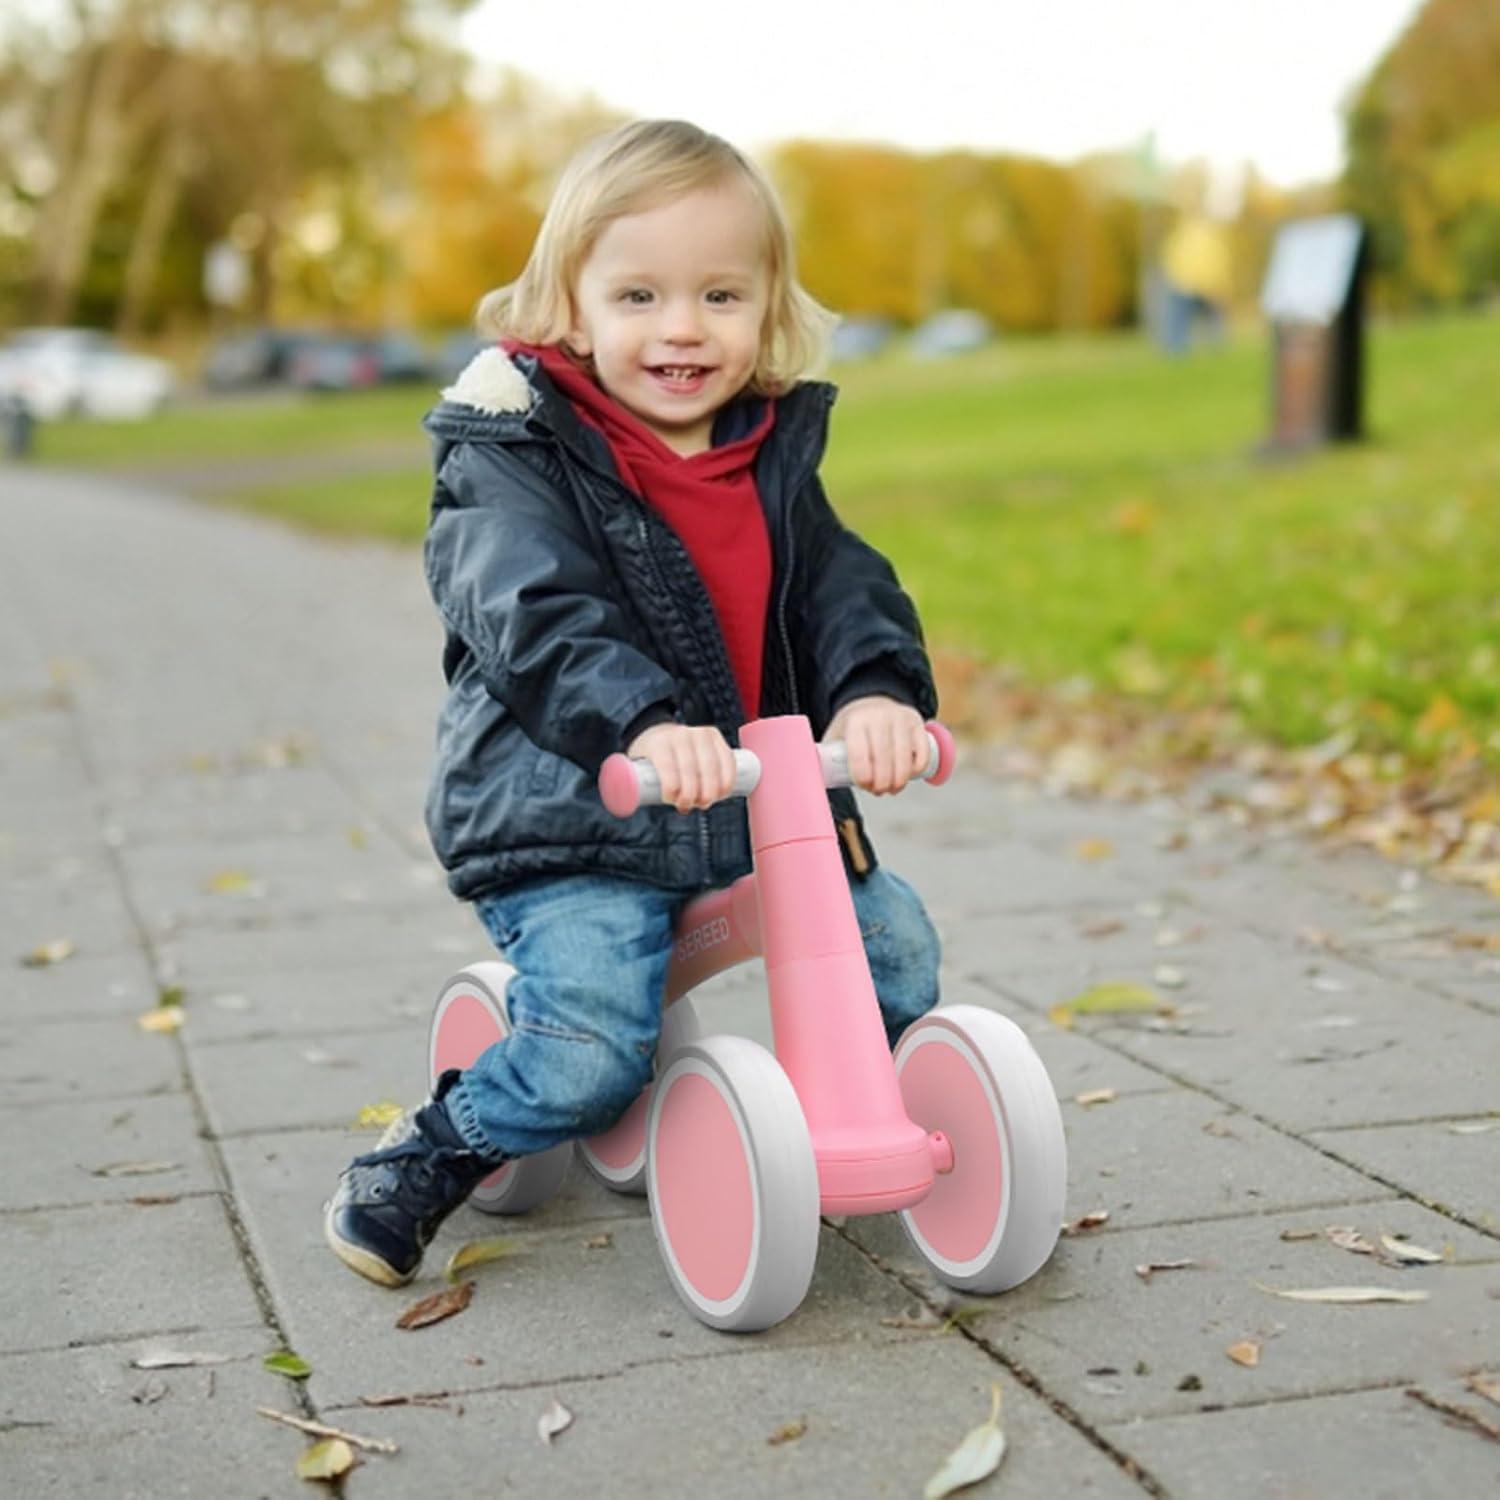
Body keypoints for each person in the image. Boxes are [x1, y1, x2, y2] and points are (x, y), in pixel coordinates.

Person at [324, 119, 941, 1287]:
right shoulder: (507, 457)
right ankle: (431, 1150)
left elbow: (842, 590)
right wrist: (643, 723)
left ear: (768, 306)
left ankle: (892, 1114)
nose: (681, 328)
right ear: (570, 304)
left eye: (720, 294)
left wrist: (873, 694)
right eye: (641, 293)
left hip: (744, 803)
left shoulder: (769, 453)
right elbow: (533, 611)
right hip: (576, 810)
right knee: (596, 1048)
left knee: (893, 943)